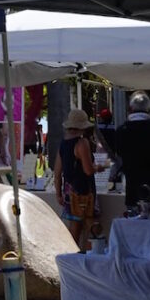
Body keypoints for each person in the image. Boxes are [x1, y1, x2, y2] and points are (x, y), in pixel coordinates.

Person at [56, 106, 99, 248]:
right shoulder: (82, 143)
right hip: (84, 191)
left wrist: (58, 193)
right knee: (92, 230)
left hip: (69, 191)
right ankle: (88, 260)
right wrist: (99, 167)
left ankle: (71, 260)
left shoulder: (63, 144)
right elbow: (88, 170)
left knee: (74, 230)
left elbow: (57, 172)